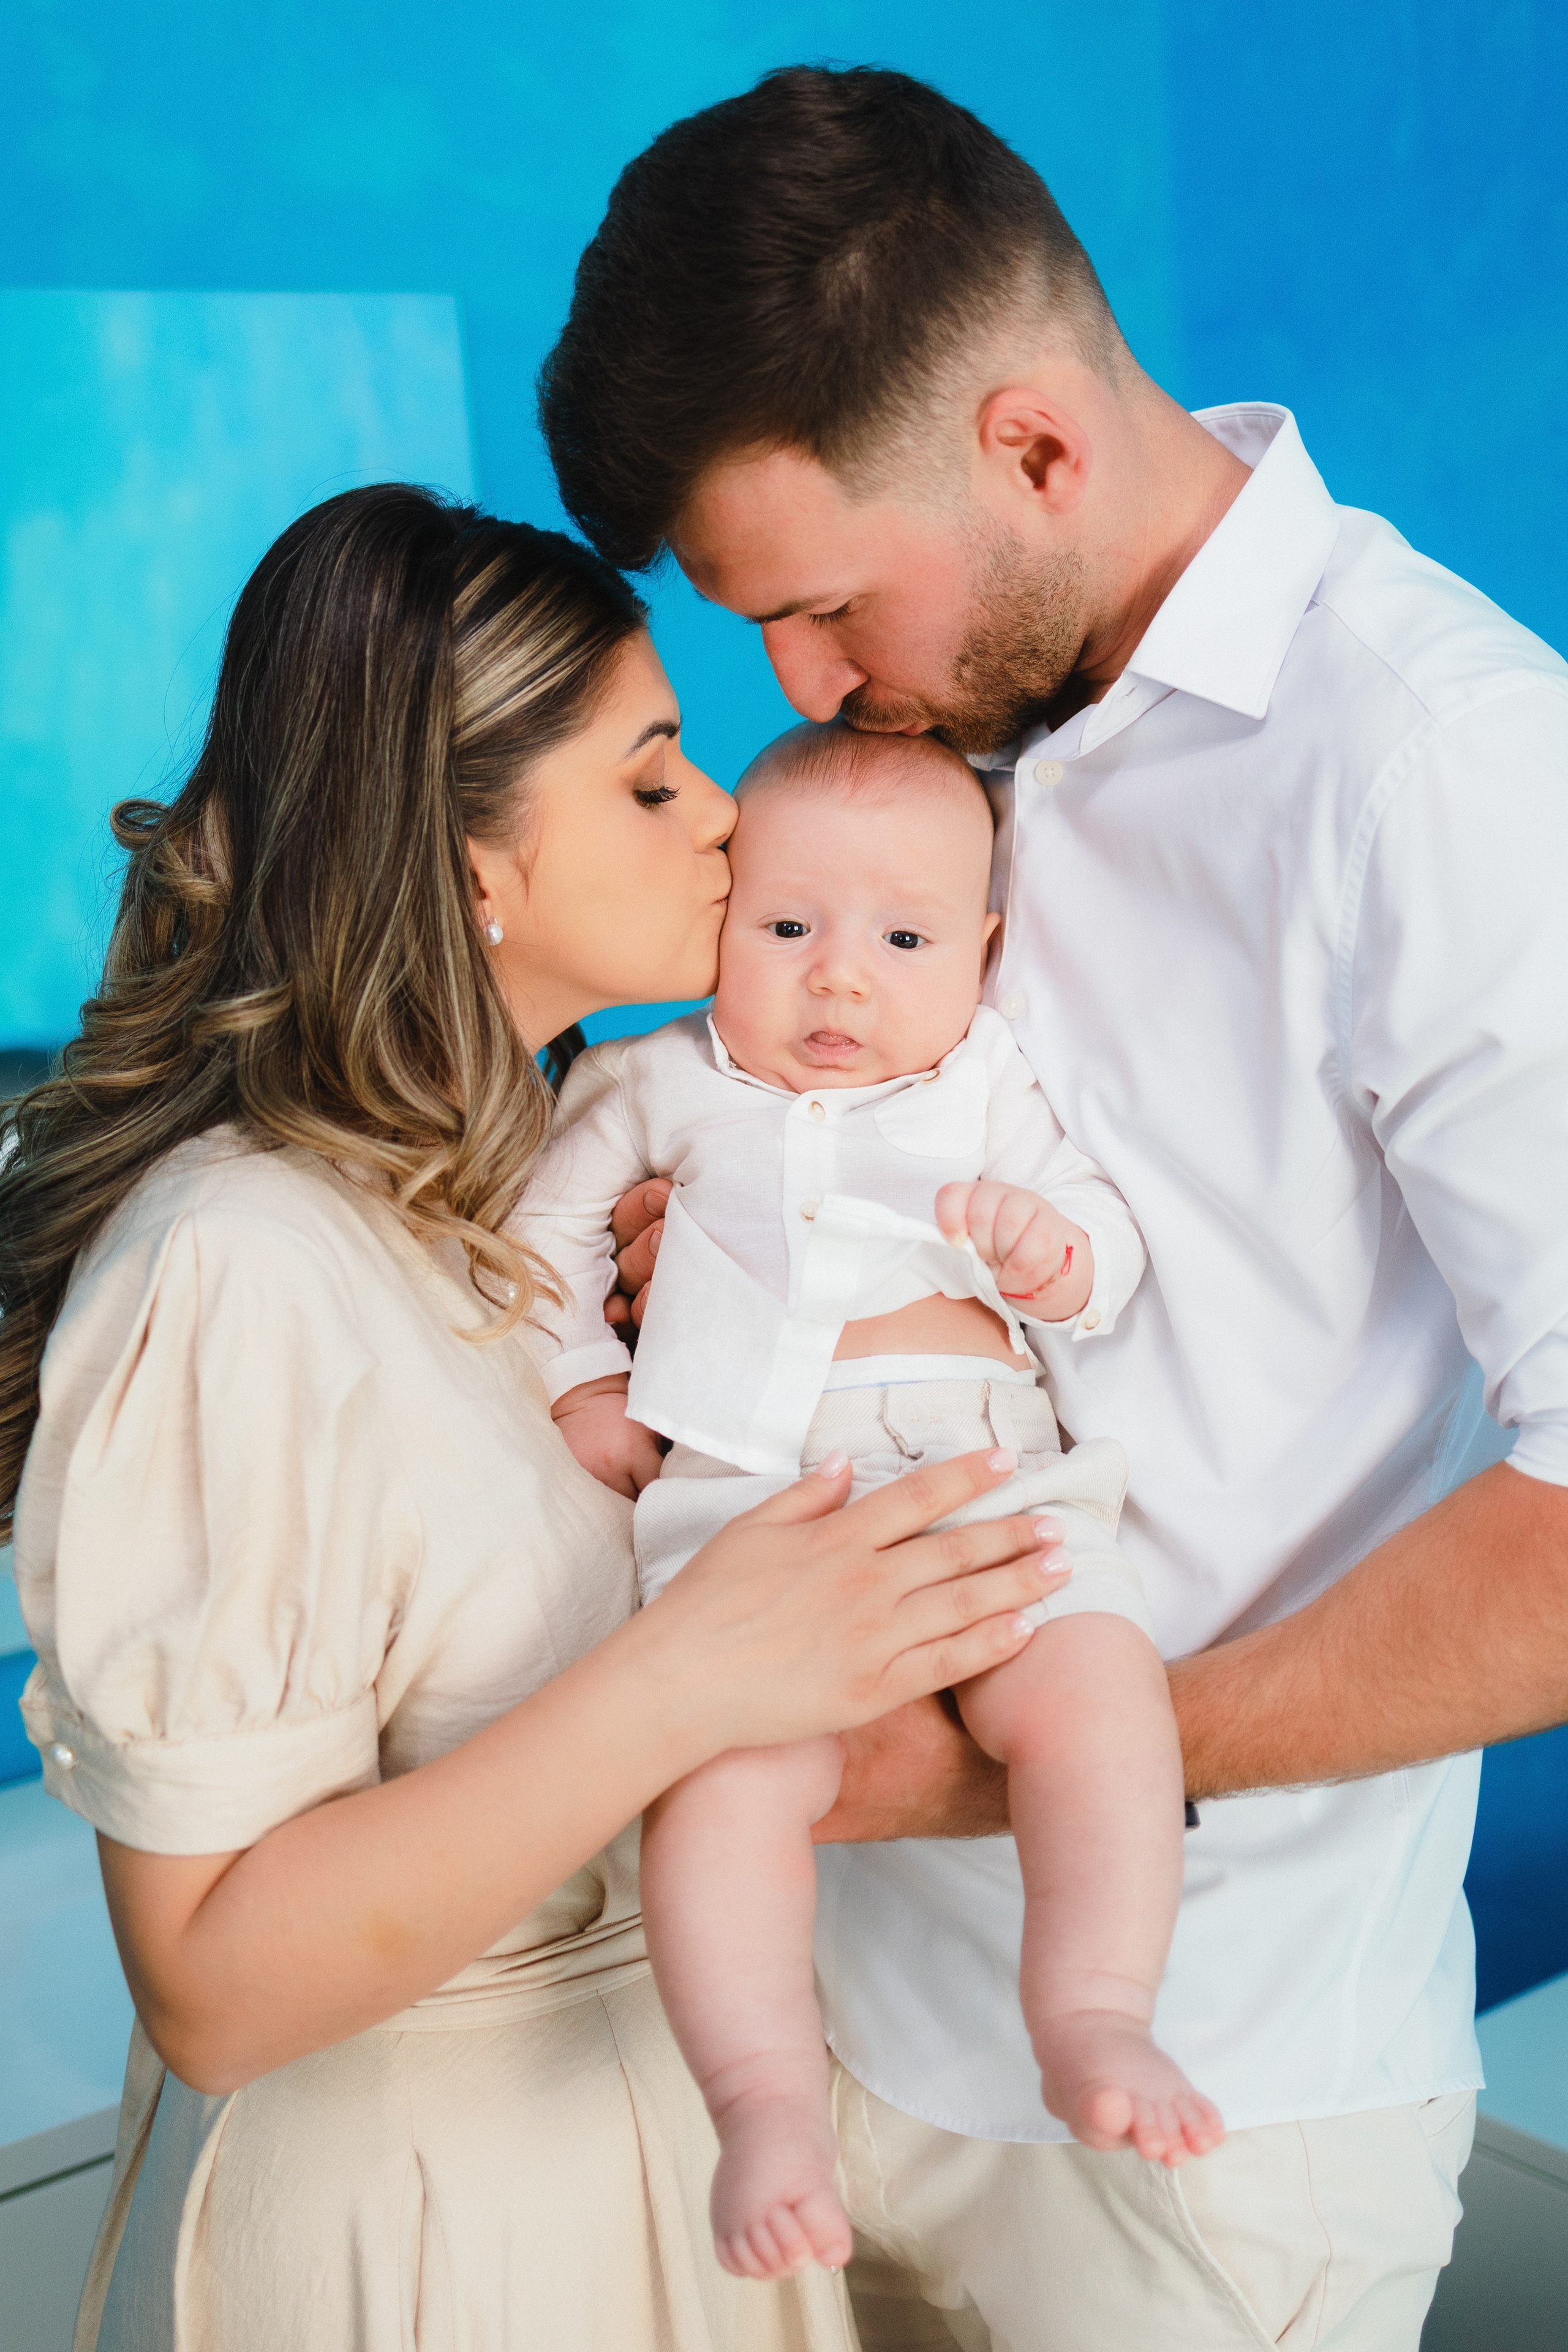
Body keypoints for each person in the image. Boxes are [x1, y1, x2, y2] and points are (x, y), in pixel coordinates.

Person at [539, 62, 1568, 2351]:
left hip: (1200, 2106)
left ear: (1030, 448)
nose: (794, 699)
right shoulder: (965, 721)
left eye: (815, 611)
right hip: (802, 2049)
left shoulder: (1446, 774)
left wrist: (1040, 1747)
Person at [0, 484, 1064, 2352]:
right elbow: (214, 1988)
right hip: (426, 2241)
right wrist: (699, 1675)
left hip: (675, 2168)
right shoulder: (238, 1260)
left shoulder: (536, 1216)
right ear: (470, 860)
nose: (729, 811)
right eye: (654, 779)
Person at [519, 720, 1221, 2280]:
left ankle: (1094, 2009)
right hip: (756, 1500)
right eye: (786, 929)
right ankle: (764, 2101)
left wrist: (1051, 1252)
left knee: (1098, 1691)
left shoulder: (988, 1084)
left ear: (978, 952)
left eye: (902, 939)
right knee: (732, 1779)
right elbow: (541, 1238)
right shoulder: (656, 1083)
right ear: (723, 926)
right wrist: (578, 1376)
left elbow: (1101, 1235)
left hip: (980, 1469)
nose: (838, 978)